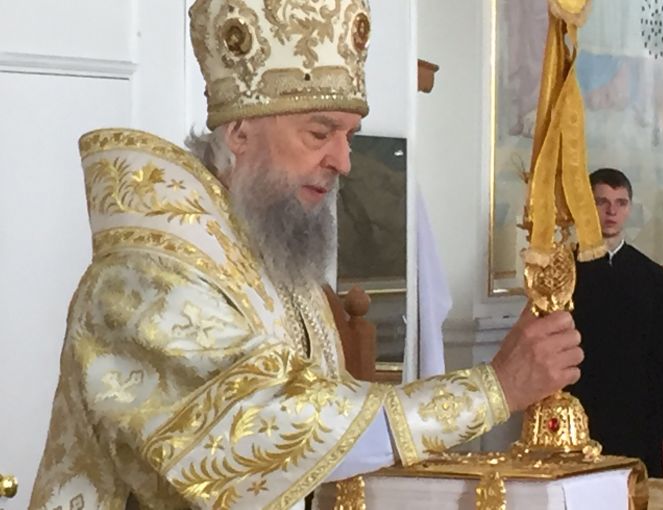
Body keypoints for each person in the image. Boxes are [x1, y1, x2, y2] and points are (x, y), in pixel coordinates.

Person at [29, 1, 583, 508]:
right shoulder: (144, 276)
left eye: (349, 135)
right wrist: (492, 389)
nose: (344, 160)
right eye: (320, 133)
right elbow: (264, 433)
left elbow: (329, 425)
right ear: (240, 132)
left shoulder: (270, 262)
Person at [569, 168, 663, 478]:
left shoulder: (652, 276)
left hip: (639, 419)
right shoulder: (564, 273)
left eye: (621, 202)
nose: (612, 211)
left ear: (629, 208)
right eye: (602, 202)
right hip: (581, 415)